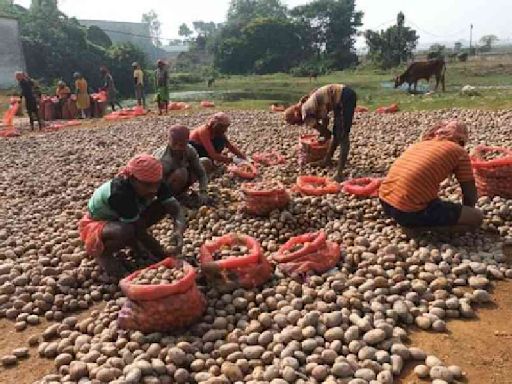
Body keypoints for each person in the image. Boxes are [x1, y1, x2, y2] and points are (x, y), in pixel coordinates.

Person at [79, 154, 186, 278]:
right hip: (99, 223)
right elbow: (139, 230)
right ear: (132, 179)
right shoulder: (120, 193)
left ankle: (136, 246)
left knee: (162, 207)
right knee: (126, 231)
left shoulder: (154, 180)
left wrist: (178, 230)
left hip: (125, 217)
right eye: (147, 186)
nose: (154, 190)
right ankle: (103, 253)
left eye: (156, 185)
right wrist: (164, 256)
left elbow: (175, 208)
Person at [379, 120, 483, 236]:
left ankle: (408, 219)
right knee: (477, 217)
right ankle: (419, 228)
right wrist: (467, 213)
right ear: (462, 140)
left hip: (385, 201)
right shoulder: (459, 151)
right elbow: (469, 193)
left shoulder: (420, 144)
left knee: (428, 200)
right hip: (409, 211)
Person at [284, 84, 357, 182]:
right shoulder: (307, 106)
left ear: (296, 115)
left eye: (295, 123)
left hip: (344, 96)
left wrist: (323, 136)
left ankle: (339, 173)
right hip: (340, 97)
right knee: (337, 131)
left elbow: (325, 131)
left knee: (343, 135)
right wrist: (324, 133)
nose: (298, 124)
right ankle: (327, 160)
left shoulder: (305, 113)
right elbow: (325, 119)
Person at [154, 124, 212, 207]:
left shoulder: (189, 149)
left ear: (187, 140)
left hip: (183, 179)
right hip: (167, 184)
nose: (178, 147)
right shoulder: (163, 159)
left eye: (182, 144)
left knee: (206, 162)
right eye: (174, 143)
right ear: (169, 140)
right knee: (181, 173)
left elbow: (201, 173)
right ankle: (178, 196)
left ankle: (183, 191)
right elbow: (156, 185)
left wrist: (203, 192)